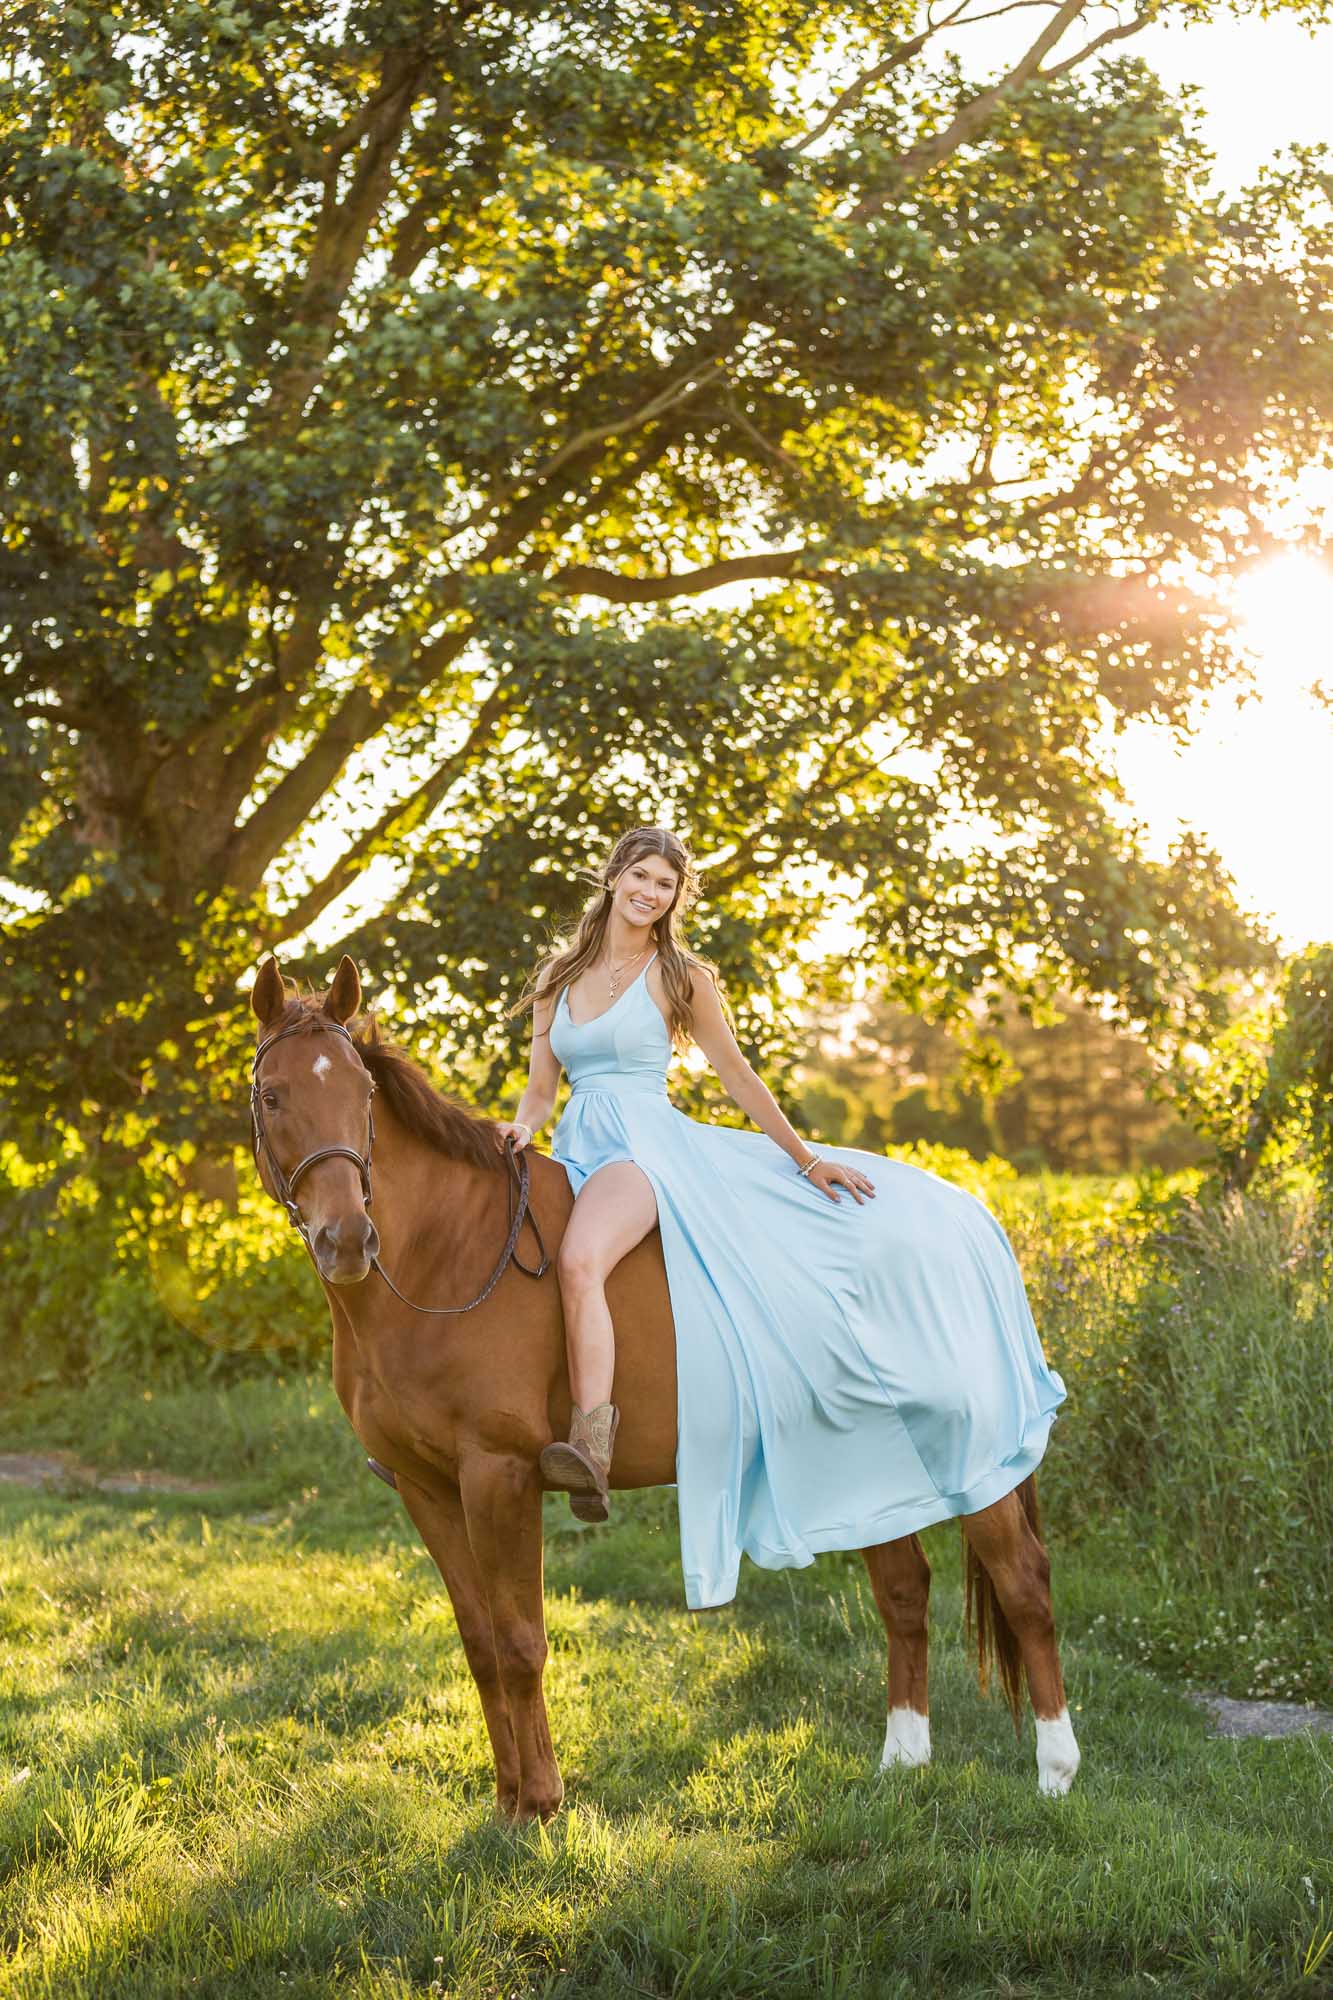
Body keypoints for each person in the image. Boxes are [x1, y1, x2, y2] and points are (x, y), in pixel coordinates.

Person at [496, 826, 1067, 1612]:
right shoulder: (559, 975)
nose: (650, 892)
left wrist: (804, 1159)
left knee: (579, 1263)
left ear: (674, 898)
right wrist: (520, 1131)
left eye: (665, 883)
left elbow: (735, 1073)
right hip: (574, 1147)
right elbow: (538, 1091)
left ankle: (589, 1444)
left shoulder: (678, 975)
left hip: (642, 1149)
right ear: (614, 877)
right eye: (640, 875)